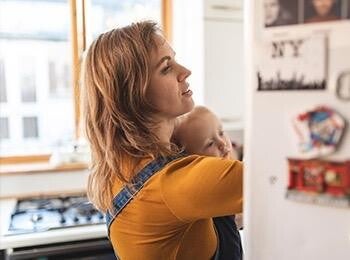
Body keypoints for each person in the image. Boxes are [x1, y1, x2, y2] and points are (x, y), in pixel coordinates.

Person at [82, 21, 243, 260]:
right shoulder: (171, 184)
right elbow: (280, 180)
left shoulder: (123, 166)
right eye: (166, 68)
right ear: (135, 93)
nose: (185, 71)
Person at [173, 106, 244, 256]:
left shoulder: (230, 170)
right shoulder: (205, 190)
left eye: (221, 133)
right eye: (210, 143)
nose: (222, 143)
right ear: (191, 159)